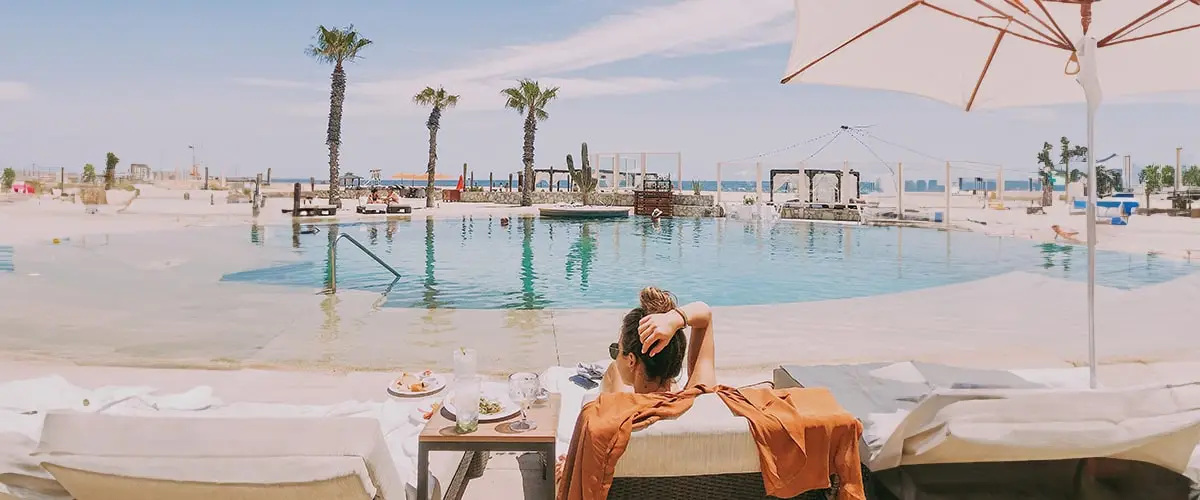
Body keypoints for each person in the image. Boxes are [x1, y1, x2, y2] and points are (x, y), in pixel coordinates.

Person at [600, 286, 715, 394]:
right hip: (674, 397)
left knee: (614, 369)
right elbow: (705, 314)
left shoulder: (612, 409)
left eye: (616, 351)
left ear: (631, 360)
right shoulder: (702, 396)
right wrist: (673, 318)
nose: (616, 358)